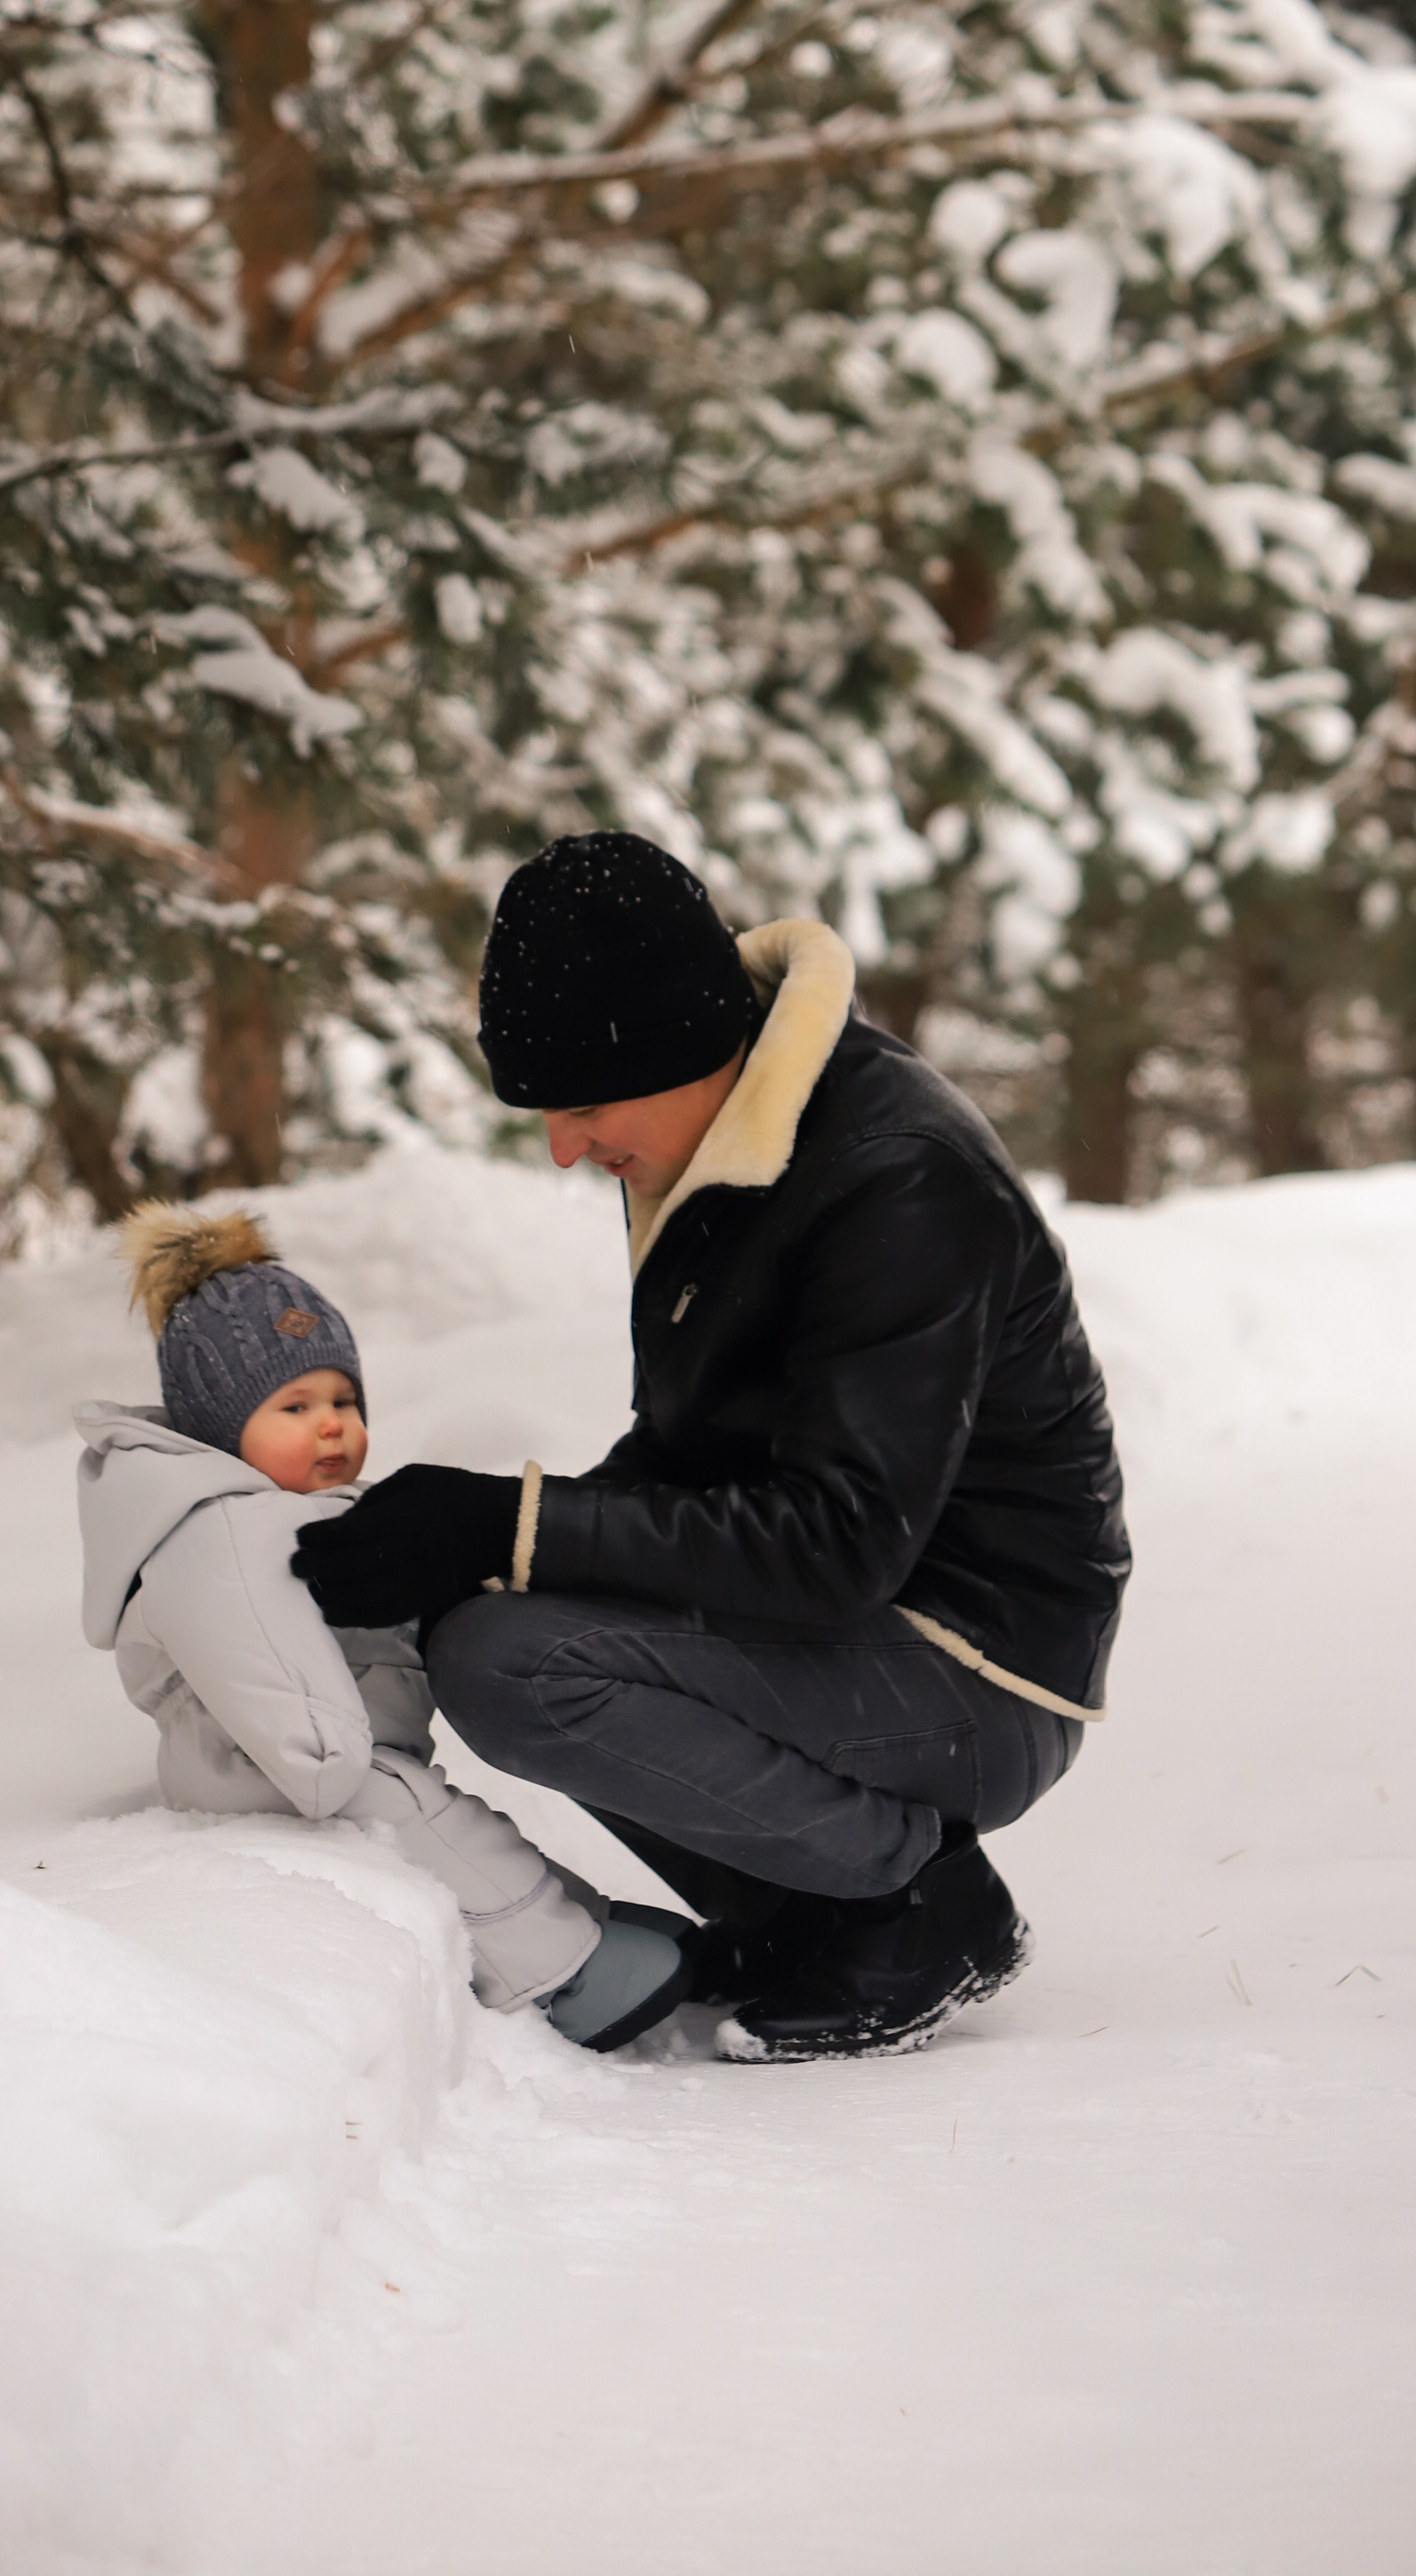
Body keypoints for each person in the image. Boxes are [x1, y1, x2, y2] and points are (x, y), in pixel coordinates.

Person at [294, 831, 1132, 2063]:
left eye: (582, 1108)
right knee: (490, 1611)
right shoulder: (729, 1136)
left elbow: (837, 1544)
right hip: (876, 1624)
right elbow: (699, 1451)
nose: (564, 1150)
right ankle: (806, 1918)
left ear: (683, 1047)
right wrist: (487, 1543)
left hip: (980, 1660)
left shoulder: (894, 1178)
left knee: (517, 1664)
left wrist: (509, 1525)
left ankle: (918, 1909)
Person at [74, 1200, 689, 2051]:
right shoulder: (220, 1528)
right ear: (221, 1423)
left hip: (323, 1746)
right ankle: (567, 1971)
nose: (331, 1422)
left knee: (441, 1816)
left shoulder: (276, 1509)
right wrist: (324, 1751)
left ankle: (587, 1920)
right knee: (416, 1814)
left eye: (343, 1398)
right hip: (273, 1761)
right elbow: (257, 1644)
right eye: (294, 1406)